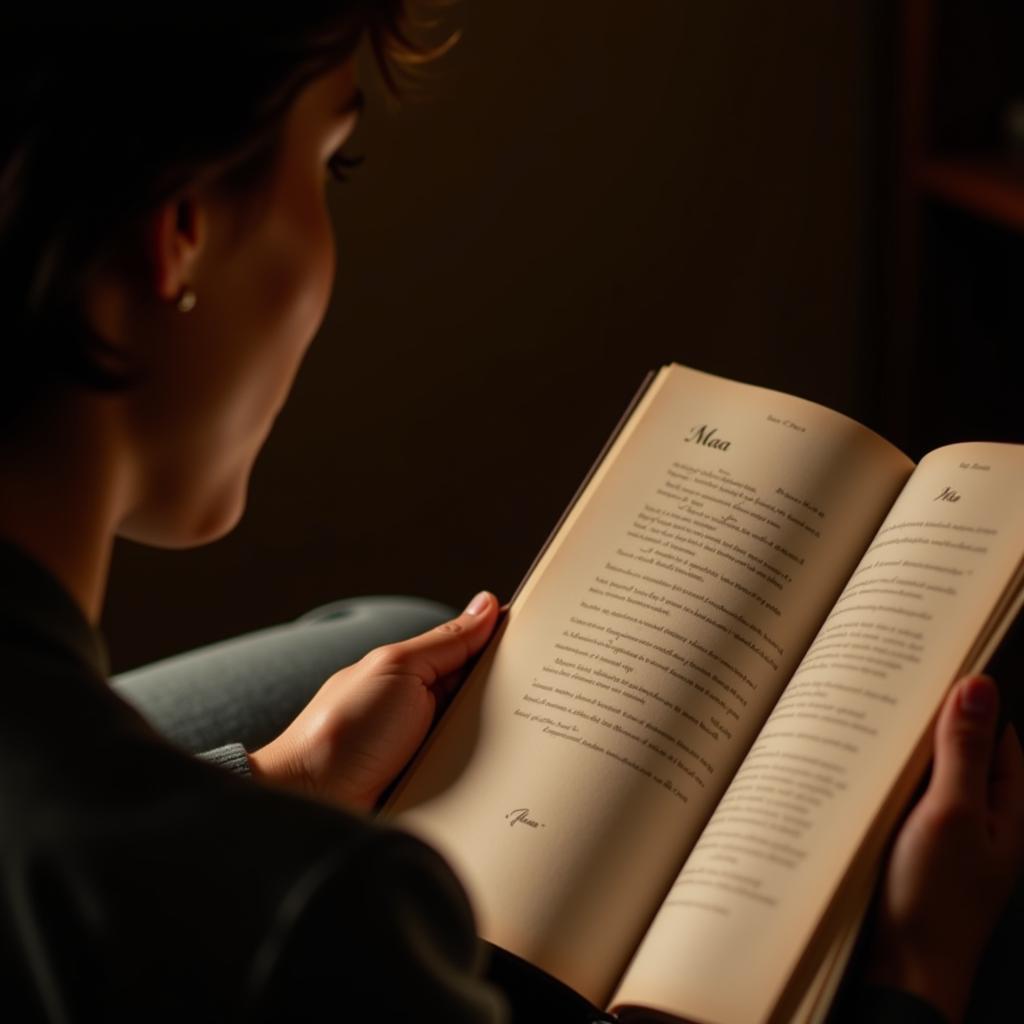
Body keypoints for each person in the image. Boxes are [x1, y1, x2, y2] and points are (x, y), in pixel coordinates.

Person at [0, 6, 1021, 1022]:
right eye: (328, 166)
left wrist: (276, 779)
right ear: (177, 235)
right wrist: (914, 974)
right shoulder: (314, 921)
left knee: (394, 629)